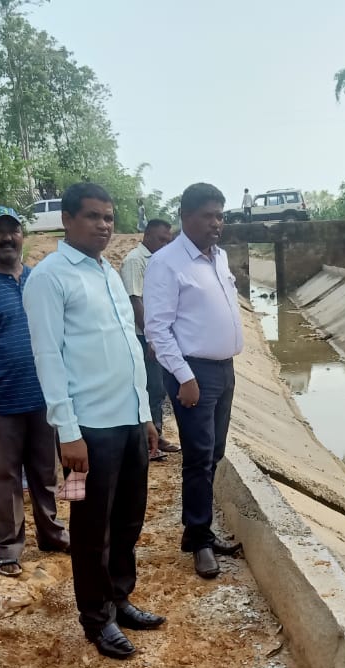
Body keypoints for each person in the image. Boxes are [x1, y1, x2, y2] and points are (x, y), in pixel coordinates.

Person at [23, 182, 163, 659]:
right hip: (86, 434)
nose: (104, 225)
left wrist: (145, 415)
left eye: (109, 217)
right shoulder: (49, 278)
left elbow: (129, 348)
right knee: (88, 525)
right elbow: (48, 359)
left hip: (127, 424)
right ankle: (96, 617)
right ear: (67, 219)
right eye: (93, 216)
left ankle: (120, 596)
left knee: (128, 518)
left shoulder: (106, 273)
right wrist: (68, 432)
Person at [0, 206, 69, 578]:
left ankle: (52, 534)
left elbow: (57, 336)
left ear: (24, 236)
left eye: (14, 230)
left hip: (43, 398)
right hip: (1, 403)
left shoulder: (40, 280)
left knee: (45, 472)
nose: (7, 238)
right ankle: (7, 548)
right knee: (4, 478)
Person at [144, 182, 244, 579]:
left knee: (214, 453)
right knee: (198, 458)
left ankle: (197, 530)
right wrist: (184, 377)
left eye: (220, 215)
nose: (216, 223)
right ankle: (199, 539)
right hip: (193, 374)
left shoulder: (218, 258)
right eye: (208, 215)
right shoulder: (167, 263)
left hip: (224, 371)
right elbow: (158, 329)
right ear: (186, 217)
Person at [119, 219, 181, 460]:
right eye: (160, 239)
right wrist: (152, 338)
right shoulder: (136, 260)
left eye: (168, 241)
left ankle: (155, 435)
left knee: (158, 388)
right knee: (150, 387)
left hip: (157, 334)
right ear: (146, 236)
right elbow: (136, 301)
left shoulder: (160, 261)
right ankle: (148, 442)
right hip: (142, 335)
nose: (164, 244)